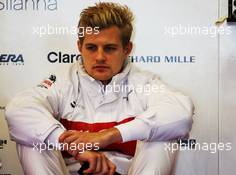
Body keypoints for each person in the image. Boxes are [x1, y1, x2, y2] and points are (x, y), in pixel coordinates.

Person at [5, 2, 194, 175]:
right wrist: (76, 148)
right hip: (71, 170)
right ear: (80, 47)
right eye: (92, 48)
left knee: (162, 134)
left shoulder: (144, 82)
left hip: (126, 172)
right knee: (33, 138)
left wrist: (108, 135)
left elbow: (180, 114)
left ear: (127, 49)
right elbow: (19, 110)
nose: (100, 57)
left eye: (110, 48)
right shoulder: (62, 81)